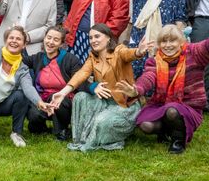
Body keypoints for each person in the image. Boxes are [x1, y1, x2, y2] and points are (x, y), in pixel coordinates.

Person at [117, 6, 209, 153]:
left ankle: (178, 139)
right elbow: (148, 78)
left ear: (181, 42)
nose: (168, 45)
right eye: (164, 41)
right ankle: (166, 131)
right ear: (159, 44)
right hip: (161, 104)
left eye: (172, 41)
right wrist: (135, 90)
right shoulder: (154, 61)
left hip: (188, 106)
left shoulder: (194, 53)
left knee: (172, 111)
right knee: (145, 125)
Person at [50, 24, 151, 152]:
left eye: (97, 36)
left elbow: (129, 54)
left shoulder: (119, 51)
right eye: (91, 38)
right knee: (80, 97)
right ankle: (82, 138)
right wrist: (63, 93)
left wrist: (139, 51)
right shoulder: (93, 57)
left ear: (108, 38)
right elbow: (81, 74)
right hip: (104, 102)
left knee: (101, 121)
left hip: (124, 106)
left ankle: (111, 136)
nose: (93, 40)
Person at [23, 26, 87, 141]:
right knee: (33, 115)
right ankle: (41, 128)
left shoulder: (71, 59)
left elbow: (80, 80)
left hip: (64, 101)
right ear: (44, 39)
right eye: (49, 38)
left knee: (58, 100)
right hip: (43, 99)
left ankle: (62, 129)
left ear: (62, 44)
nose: (51, 42)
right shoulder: (38, 58)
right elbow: (18, 60)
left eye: (56, 40)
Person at [127, 0, 187, 77]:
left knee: (164, 75)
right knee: (138, 75)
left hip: (165, 42)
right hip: (140, 38)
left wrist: (178, 44)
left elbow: (179, 22)